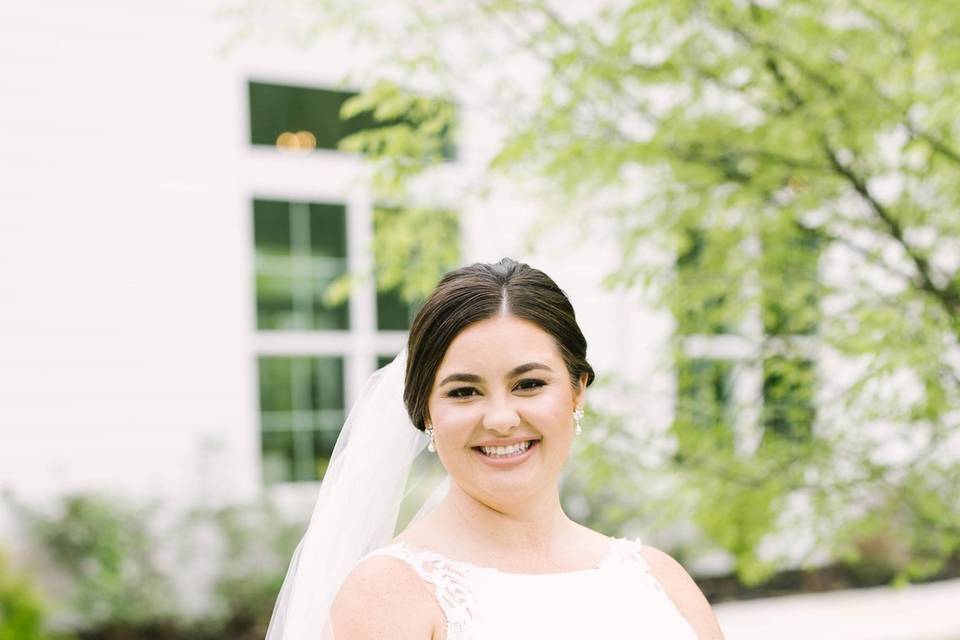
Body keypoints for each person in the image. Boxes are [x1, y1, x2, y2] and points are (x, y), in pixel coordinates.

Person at [266, 258, 725, 640]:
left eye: (528, 384)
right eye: (464, 392)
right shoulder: (389, 593)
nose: (501, 419)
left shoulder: (660, 579)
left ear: (576, 391)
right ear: (426, 411)